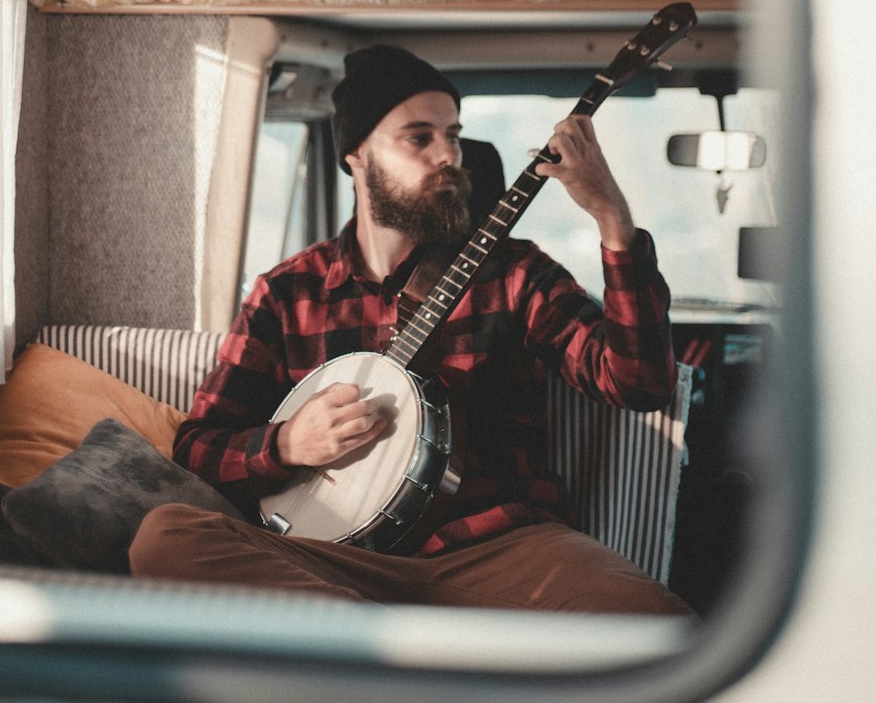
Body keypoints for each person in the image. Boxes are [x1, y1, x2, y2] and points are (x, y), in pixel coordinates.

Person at [130, 45, 693, 616]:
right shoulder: (287, 293)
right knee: (166, 536)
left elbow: (639, 384)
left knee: (657, 622)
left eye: (453, 134)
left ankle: (365, 650)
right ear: (356, 155)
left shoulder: (513, 271)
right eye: (419, 137)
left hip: (501, 550)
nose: (448, 155)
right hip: (332, 560)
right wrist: (286, 444)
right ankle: (400, 644)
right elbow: (196, 447)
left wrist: (613, 221)